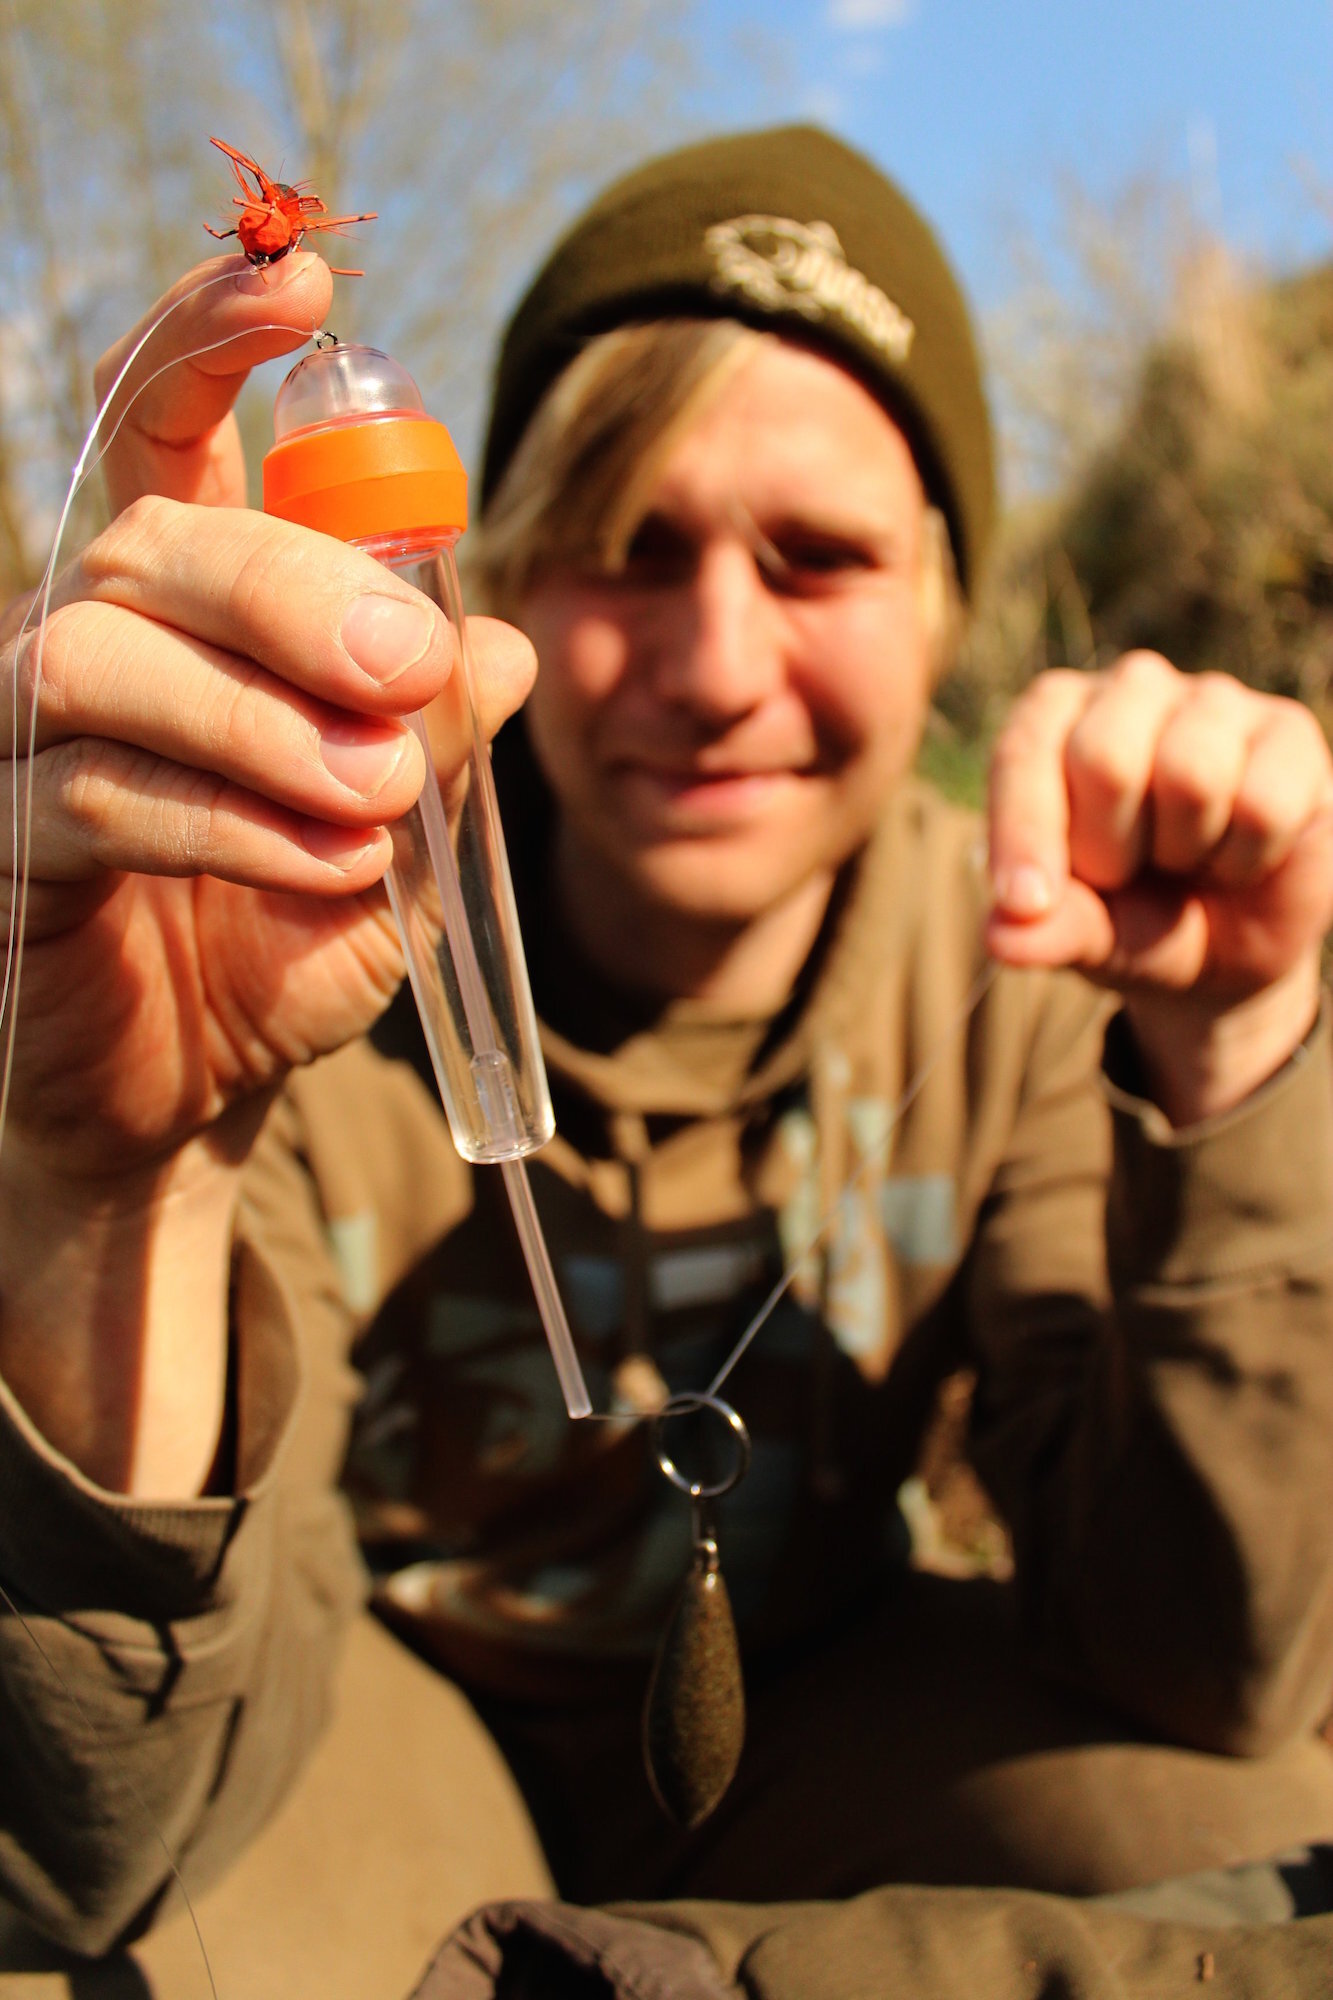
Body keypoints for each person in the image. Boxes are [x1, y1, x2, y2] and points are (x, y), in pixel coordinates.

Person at [3, 124, 1333, 1998]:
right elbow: (86, 1830)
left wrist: (1238, 1052)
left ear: (943, 603)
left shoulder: (1024, 956)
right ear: (495, 581)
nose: (716, 666)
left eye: (819, 559)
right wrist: (111, 1180)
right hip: (361, 1729)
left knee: (1231, 1843)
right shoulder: (290, 926)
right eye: (628, 550)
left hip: (839, 1721)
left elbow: (1203, 1661)